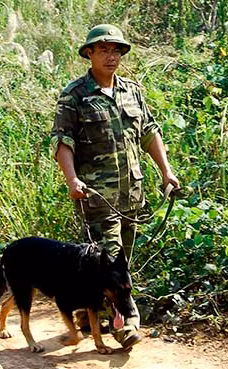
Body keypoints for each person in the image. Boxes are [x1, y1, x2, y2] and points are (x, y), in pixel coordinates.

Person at [50, 24, 180, 351]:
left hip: (131, 196)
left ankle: (86, 315)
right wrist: (72, 179)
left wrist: (166, 171)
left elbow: (149, 132)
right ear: (89, 53)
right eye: (103, 50)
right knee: (111, 264)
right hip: (96, 197)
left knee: (119, 264)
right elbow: (62, 142)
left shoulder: (132, 91)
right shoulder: (75, 95)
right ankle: (126, 323)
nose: (111, 56)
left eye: (116, 50)